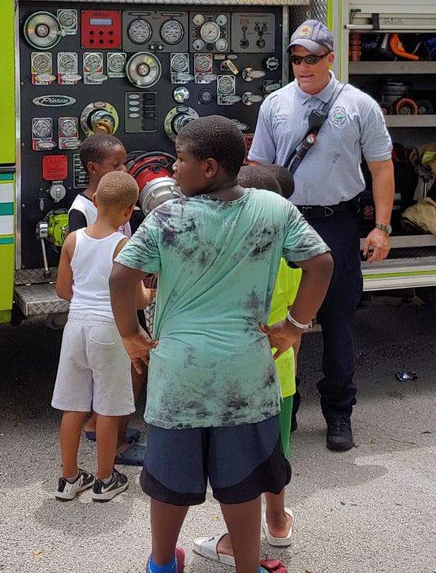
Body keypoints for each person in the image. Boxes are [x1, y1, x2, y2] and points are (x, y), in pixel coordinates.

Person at [109, 115, 334, 573]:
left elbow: (120, 274)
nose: (172, 169)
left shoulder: (167, 217)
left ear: (209, 167)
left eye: (181, 160)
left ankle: (161, 564)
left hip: (179, 380)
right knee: (243, 482)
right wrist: (294, 326)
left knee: (169, 484)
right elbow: (322, 264)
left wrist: (131, 336)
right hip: (244, 378)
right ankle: (247, 566)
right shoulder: (275, 209)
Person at [248, 18, 395, 452]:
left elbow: (381, 167)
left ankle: (338, 415)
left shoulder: (360, 105)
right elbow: (258, 168)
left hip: (337, 223)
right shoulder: (274, 105)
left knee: (338, 323)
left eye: (312, 58)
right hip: (285, 223)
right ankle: (283, 410)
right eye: (297, 58)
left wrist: (381, 227)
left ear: (331, 58)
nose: (303, 66)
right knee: (279, 318)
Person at [194, 163, 302, 567]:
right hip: (283, 373)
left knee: (240, 467)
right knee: (276, 456)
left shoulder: (230, 256)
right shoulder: (293, 254)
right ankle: (278, 525)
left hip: (238, 375)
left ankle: (237, 543)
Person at [51, 171, 152, 502]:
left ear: (95, 201)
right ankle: (105, 479)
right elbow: (136, 299)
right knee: (107, 407)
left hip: (76, 326)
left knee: (73, 406)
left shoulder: (72, 240)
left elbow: (63, 290)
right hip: (109, 329)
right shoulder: (124, 244)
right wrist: (151, 293)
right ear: (129, 211)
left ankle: (68, 479)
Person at [69, 133, 145, 465]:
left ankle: (95, 425)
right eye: (116, 164)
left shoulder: (122, 206)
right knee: (136, 367)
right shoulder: (81, 211)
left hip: (118, 299)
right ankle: (116, 444)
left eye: (125, 162)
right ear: (93, 168)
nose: (124, 168)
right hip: (112, 305)